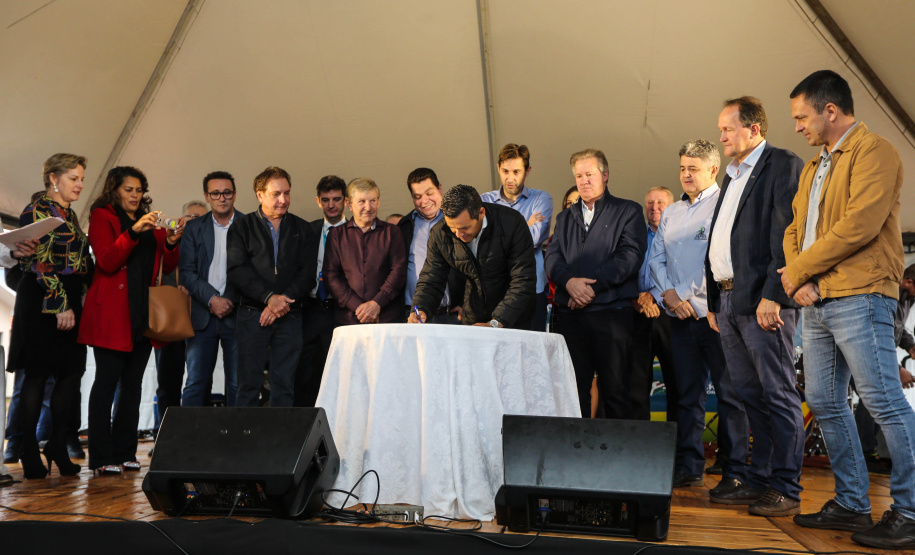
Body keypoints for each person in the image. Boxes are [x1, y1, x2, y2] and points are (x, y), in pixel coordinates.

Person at [783, 70, 915, 549]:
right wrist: (798, 276)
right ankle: (854, 503)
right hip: (818, 298)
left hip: (861, 293)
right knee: (823, 400)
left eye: (802, 117)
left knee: (882, 401)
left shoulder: (876, 151)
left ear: (830, 110)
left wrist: (798, 272)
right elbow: (794, 228)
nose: (798, 126)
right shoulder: (812, 166)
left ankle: (910, 509)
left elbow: (859, 225)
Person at [705, 96, 805, 516]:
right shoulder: (732, 175)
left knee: (778, 393)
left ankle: (786, 485)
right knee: (748, 393)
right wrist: (714, 300)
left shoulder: (781, 163)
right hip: (728, 300)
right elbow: (725, 236)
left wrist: (774, 295)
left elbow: (788, 232)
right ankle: (760, 479)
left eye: (728, 128)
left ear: (754, 130)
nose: (722, 136)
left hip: (764, 300)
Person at [650, 140, 746, 494]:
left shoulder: (727, 206)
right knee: (687, 395)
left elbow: (728, 260)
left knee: (729, 394)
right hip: (678, 315)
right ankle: (689, 466)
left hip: (716, 315)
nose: (686, 175)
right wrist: (671, 296)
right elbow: (655, 259)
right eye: (682, 168)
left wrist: (699, 300)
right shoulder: (672, 212)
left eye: (693, 168)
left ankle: (735, 470)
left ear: (712, 170)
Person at [79, 166, 183, 475]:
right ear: (115, 190)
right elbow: (108, 260)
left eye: (139, 190)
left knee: (133, 386)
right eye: (128, 189)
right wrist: (133, 232)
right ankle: (100, 455)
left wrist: (173, 241)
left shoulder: (150, 222)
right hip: (112, 315)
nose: (135, 195)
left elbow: (170, 264)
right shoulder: (102, 216)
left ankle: (125, 451)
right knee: (106, 384)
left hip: (142, 315)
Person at [7, 154, 91, 480]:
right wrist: (61, 305)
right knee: (37, 374)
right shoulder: (37, 209)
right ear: (54, 178)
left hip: (68, 294)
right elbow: (41, 264)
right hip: (44, 296)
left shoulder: (68, 213)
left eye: (82, 178)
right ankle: (27, 448)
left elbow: (78, 260)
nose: (81, 184)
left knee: (71, 372)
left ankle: (56, 444)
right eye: (74, 178)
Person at [545, 149, 645, 419]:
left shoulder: (628, 211)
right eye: (579, 175)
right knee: (574, 392)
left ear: (605, 175)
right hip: (571, 316)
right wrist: (569, 283)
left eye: (589, 174)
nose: (584, 181)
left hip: (611, 315)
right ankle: (577, 456)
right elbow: (553, 260)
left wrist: (590, 288)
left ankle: (618, 458)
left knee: (615, 391)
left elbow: (629, 257)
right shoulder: (564, 218)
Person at [227, 166, 315, 408]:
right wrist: (268, 298)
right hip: (251, 315)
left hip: (290, 315)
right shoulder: (241, 227)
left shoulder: (302, 229)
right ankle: (244, 442)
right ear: (259, 195)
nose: (283, 200)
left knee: (284, 385)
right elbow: (237, 270)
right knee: (248, 385)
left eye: (287, 193)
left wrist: (281, 301)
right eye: (276, 194)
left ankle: (281, 444)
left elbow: (308, 275)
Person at [409, 185, 535, 329]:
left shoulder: (511, 223)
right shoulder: (440, 233)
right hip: (474, 319)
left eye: (464, 228)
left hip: (514, 319)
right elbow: (431, 278)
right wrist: (420, 310)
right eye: (452, 228)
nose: (458, 234)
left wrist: (496, 322)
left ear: (481, 213)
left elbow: (523, 280)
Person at [180, 174, 244, 408]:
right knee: (196, 382)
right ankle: (190, 442)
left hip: (237, 315)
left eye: (227, 192)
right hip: (202, 315)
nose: (222, 198)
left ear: (235, 194)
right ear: (207, 197)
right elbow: (186, 272)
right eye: (215, 193)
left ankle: (239, 441)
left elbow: (254, 272)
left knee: (238, 383)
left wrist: (228, 300)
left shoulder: (249, 225)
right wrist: (212, 299)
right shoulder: (194, 228)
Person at [0, 187, 47, 483]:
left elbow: (5, 255)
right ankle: (15, 443)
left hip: (56, 318)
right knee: (24, 386)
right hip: (31, 315)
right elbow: (14, 277)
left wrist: (14, 251)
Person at [481, 144, 553, 331]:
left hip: (532, 291)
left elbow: (534, 239)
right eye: (505, 171)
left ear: (527, 171)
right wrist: (525, 225)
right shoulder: (484, 201)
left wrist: (499, 234)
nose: (510, 178)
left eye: (516, 171)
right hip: (495, 292)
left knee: (531, 354)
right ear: (498, 168)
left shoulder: (541, 199)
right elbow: (482, 244)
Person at [854, 263, 915, 473]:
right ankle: (864, 454)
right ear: (907, 282)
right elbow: (879, 334)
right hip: (866, 351)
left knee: (877, 399)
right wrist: (898, 369)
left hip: (882, 354)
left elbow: (898, 329)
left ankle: (874, 453)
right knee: (871, 399)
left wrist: (910, 345)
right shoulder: (889, 297)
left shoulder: (908, 298)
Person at [151, 200, 207, 429]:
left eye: (200, 218)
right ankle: (164, 435)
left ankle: (197, 433)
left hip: (200, 321)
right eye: (190, 217)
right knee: (167, 383)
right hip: (171, 320)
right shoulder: (170, 243)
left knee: (199, 380)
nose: (194, 221)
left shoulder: (210, 248)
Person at [323, 178, 406, 325]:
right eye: (361, 201)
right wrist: (359, 307)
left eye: (373, 201)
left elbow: (398, 272)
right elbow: (331, 276)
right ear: (348, 204)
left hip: (386, 319)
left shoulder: (393, 232)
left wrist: (376, 304)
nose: (368, 207)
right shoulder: (336, 235)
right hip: (349, 320)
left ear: (379, 202)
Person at [295, 176, 347, 407]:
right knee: (306, 371)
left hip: (342, 310)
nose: (331, 205)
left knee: (340, 371)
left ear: (345, 200)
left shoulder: (356, 230)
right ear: (318, 201)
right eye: (325, 200)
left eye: (336, 199)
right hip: (312, 307)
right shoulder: (308, 230)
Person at [631, 187, 676, 423]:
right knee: (637, 385)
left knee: (676, 383)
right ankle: (641, 448)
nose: (654, 207)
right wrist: (637, 297)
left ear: (673, 206)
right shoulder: (635, 234)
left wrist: (653, 297)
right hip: (637, 314)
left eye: (660, 202)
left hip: (670, 314)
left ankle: (677, 449)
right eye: (649, 202)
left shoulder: (680, 236)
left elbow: (680, 276)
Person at [399, 168, 464, 324]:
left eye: (429, 193)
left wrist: (468, 304)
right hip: (415, 317)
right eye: (418, 197)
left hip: (453, 315)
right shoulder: (404, 226)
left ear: (440, 188)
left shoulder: (459, 220)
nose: (425, 201)